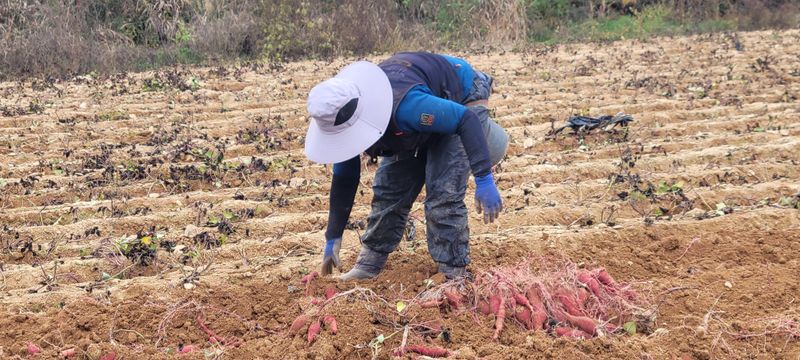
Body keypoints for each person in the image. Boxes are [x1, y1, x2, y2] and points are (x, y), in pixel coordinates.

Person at [304, 52, 508, 280]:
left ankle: (453, 274)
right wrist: (333, 235)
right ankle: (370, 262)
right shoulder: (344, 122)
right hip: (421, 110)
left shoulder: (406, 108)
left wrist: (484, 178)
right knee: (389, 190)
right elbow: (345, 177)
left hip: (462, 97)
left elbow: (465, 120)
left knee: (443, 192)